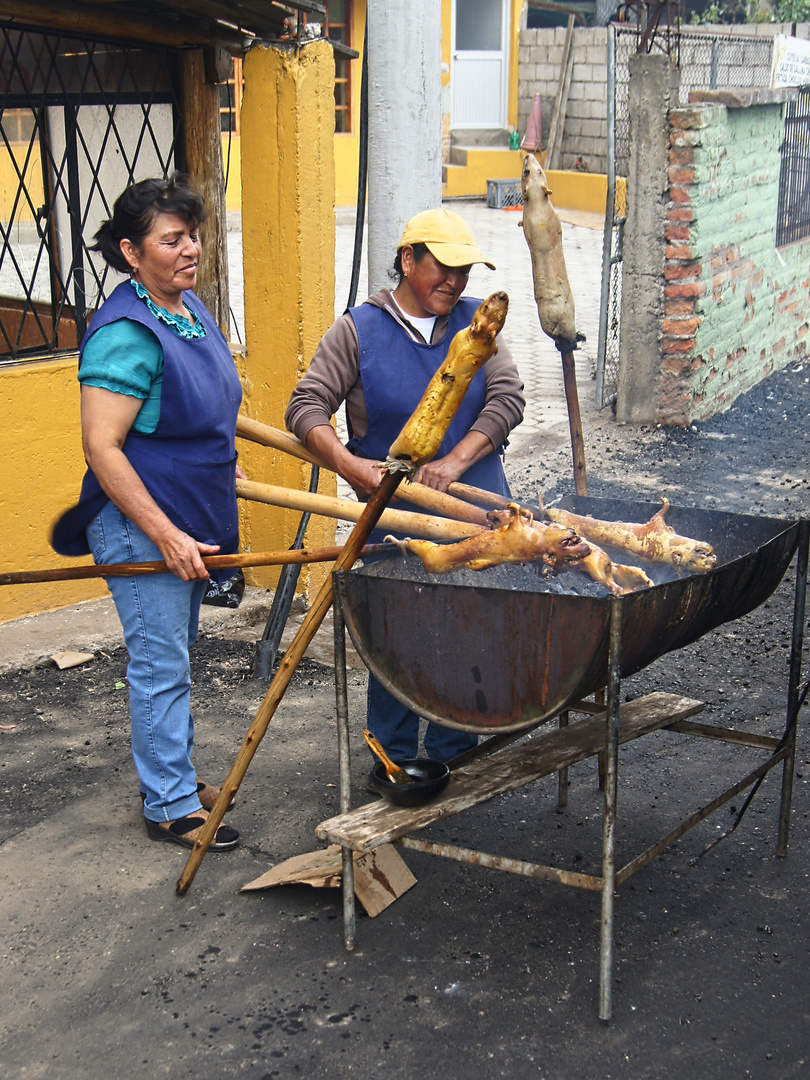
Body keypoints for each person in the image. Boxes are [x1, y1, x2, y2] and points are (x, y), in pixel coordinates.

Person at [285, 208, 525, 765]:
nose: (455, 282)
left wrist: (456, 460)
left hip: (477, 511)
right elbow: (306, 406)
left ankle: (456, 752)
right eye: (442, 268)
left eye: (464, 271)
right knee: (399, 636)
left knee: (471, 632)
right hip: (397, 517)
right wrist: (350, 466)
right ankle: (392, 760)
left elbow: (507, 397)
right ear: (406, 260)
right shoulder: (358, 329)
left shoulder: (477, 325)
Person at [51, 175, 243, 851]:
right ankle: (168, 803)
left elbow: (190, 413)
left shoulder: (186, 309)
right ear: (132, 252)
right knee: (160, 665)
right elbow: (102, 447)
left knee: (175, 657)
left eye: (192, 234)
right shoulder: (126, 333)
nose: (190, 249)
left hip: (187, 513)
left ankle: (175, 776)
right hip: (139, 524)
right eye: (172, 239)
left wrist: (220, 467)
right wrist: (163, 533)